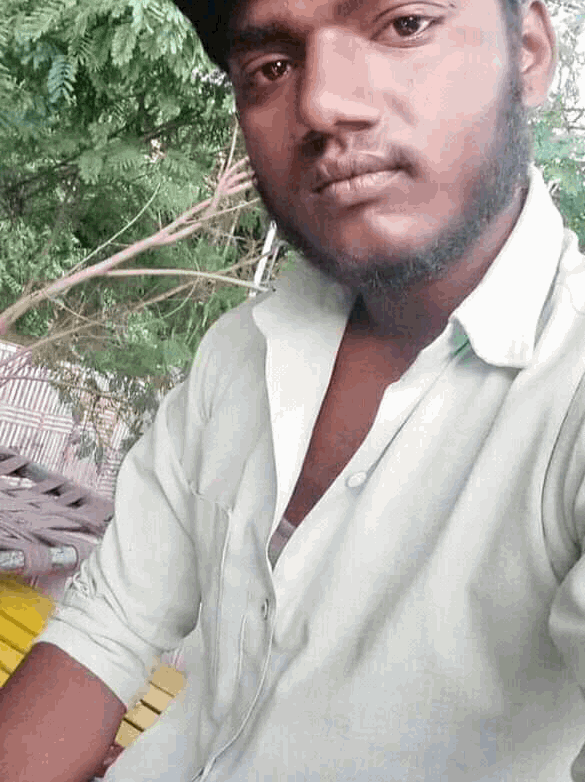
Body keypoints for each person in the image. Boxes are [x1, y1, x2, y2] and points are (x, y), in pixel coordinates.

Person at [3, 0, 585, 779]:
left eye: (403, 24)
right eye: (271, 66)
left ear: (528, 51)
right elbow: (105, 628)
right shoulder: (244, 348)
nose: (320, 104)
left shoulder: (567, 391)